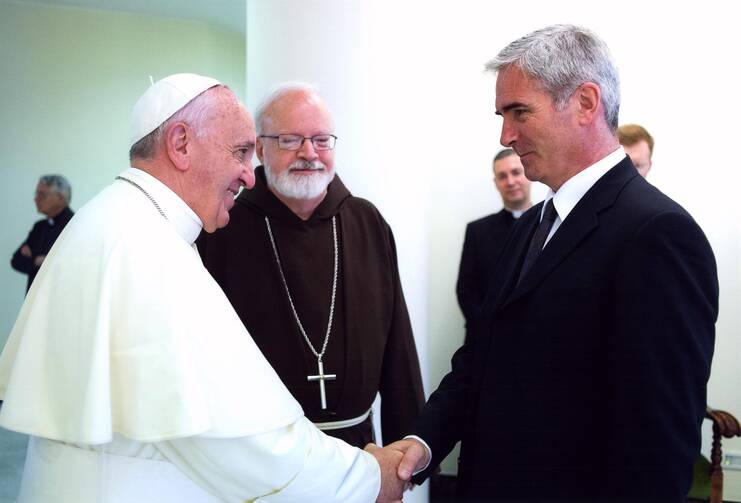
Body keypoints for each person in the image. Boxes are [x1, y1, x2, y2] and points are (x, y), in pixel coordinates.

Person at [0, 73, 405, 503]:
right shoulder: (145, 248)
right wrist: (369, 477)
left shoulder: (123, 222)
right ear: (180, 144)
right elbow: (234, 441)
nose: (250, 177)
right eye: (241, 152)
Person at [389, 24, 718, 502]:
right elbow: (482, 358)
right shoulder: (533, 224)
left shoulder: (657, 233)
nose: (506, 134)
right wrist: (422, 443)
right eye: (502, 115)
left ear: (586, 103)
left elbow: (657, 445)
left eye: (520, 111)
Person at [196, 83, 425, 450]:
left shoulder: (366, 222)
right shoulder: (224, 228)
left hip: (357, 451)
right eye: (290, 140)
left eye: (321, 140)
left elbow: (398, 339)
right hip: (259, 451)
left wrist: (407, 446)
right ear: (260, 148)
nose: (309, 153)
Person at [456, 149, 531, 329]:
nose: (511, 182)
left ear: (528, 174)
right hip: (487, 337)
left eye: (516, 172)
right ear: (496, 183)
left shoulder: (549, 223)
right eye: (502, 176)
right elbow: (466, 291)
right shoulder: (477, 231)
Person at [11, 175, 74, 292]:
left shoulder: (74, 225)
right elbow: (16, 260)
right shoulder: (39, 226)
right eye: (36, 193)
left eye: (42, 194)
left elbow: (71, 266)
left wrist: (36, 258)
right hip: (34, 298)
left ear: (60, 198)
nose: (36, 199)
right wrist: (36, 260)